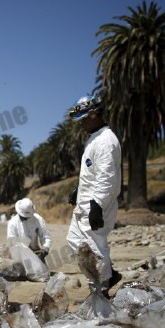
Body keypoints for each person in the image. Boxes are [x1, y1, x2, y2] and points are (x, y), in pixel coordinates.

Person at [66, 93, 122, 296]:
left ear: (93, 114)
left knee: (95, 245)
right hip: (85, 203)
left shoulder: (106, 141)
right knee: (75, 241)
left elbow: (107, 176)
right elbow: (93, 172)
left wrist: (97, 204)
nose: (80, 124)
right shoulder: (94, 139)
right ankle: (108, 275)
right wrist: (78, 189)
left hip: (97, 204)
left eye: (82, 119)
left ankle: (101, 288)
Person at [7, 198, 51, 262]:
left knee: (41, 271)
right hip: (19, 255)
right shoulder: (12, 223)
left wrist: (45, 248)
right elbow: (12, 242)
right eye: (23, 217)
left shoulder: (38, 219)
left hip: (36, 253)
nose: (25, 218)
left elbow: (45, 236)